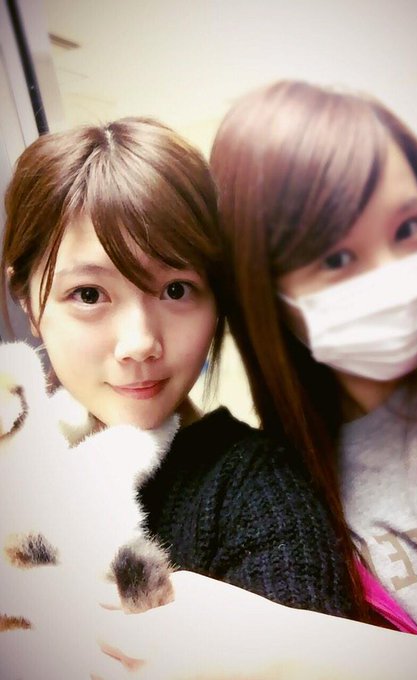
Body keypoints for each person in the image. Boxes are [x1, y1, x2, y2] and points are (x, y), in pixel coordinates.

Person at [0, 116, 360, 675]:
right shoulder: (19, 469)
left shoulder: (252, 487)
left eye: (175, 289)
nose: (140, 342)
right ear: (28, 303)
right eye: (89, 294)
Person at [207, 79, 417, 646]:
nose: (392, 275)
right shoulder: (284, 488)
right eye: (337, 258)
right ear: (265, 294)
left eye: (408, 228)